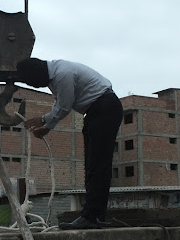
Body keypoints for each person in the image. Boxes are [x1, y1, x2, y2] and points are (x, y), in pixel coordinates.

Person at [16, 58, 123, 229]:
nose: (36, 86)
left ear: (38, 74)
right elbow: (60, 104)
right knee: (92, 166)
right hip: (96, 112)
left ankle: (92, 217)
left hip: (105, 109)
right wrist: (46, 124)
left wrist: (44, 122)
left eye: (33, 82)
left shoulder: (62, 74)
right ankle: (94, 216)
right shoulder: (54, 75)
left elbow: (64, 107)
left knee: (97, 166)